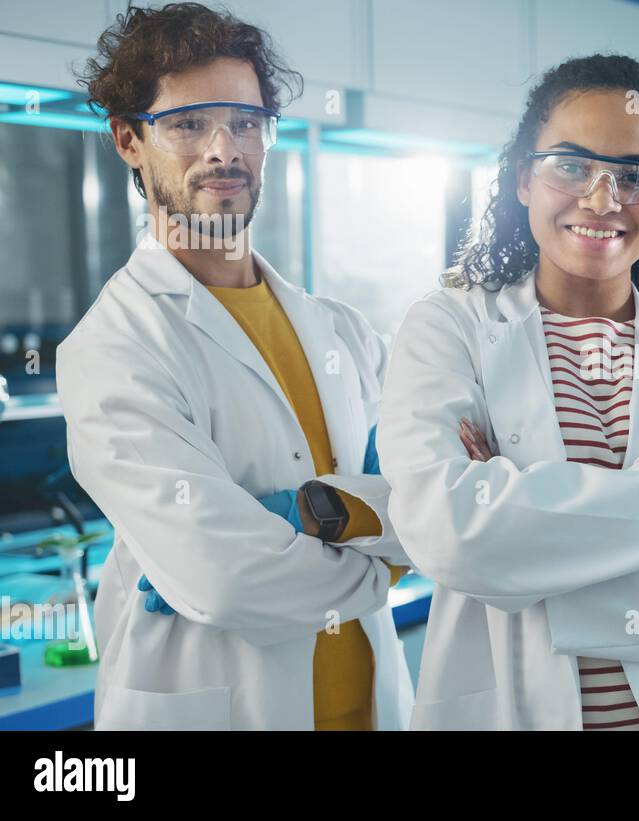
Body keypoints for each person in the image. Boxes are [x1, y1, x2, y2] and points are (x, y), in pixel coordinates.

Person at [378, 54, 639, 730]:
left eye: (635, 176)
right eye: (571, 165)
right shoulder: (450, 328)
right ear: (523, 178)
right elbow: (449, 535)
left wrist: (530, 557)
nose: (603, 200)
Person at [57, 2, 413, 730]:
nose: (225, 150)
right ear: (130, 139)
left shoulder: (343, 331)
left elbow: (435, 501)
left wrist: (365, 523)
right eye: (189, 124)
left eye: (247, 123)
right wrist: (388, 554)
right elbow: (224, 579)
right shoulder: (113, 346)